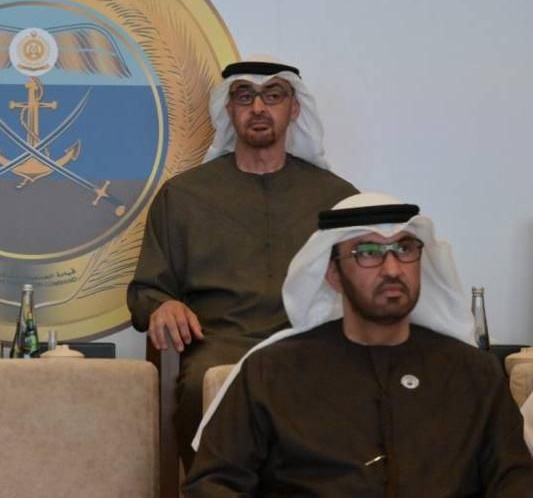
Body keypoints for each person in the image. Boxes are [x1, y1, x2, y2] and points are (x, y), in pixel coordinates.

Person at [185, 193, 533, 496]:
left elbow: (516, 481)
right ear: (333, 274)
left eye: (404, 249)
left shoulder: (473, 374)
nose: (392, 268)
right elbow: (213, 484)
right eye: (368, 252)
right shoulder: (271, 373)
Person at [127, 56, 356, 466]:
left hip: (309, 341)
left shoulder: (335, 198)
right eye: (245, 96)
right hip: (218, 342)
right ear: (229, 109)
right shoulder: (184, 196)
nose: (259, 107)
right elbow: (146, 288)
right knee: (198, 385)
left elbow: (360, 281)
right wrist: (163, 305)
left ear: (295, 108)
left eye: (273, 95)